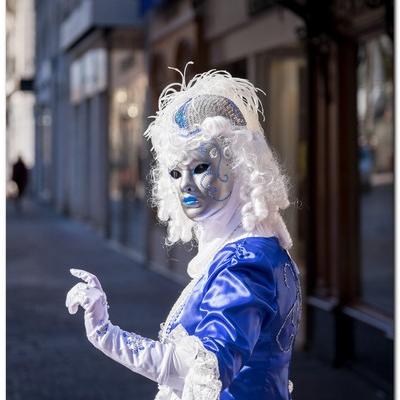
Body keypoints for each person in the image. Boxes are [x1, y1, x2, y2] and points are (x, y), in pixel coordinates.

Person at [66, 65, 302, 400]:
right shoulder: (253, 250)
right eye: (176, 173)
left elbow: (200, 369)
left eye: (201, 167)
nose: (186, 185)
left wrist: (106, 333)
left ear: (239, 166)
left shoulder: (245, 262)